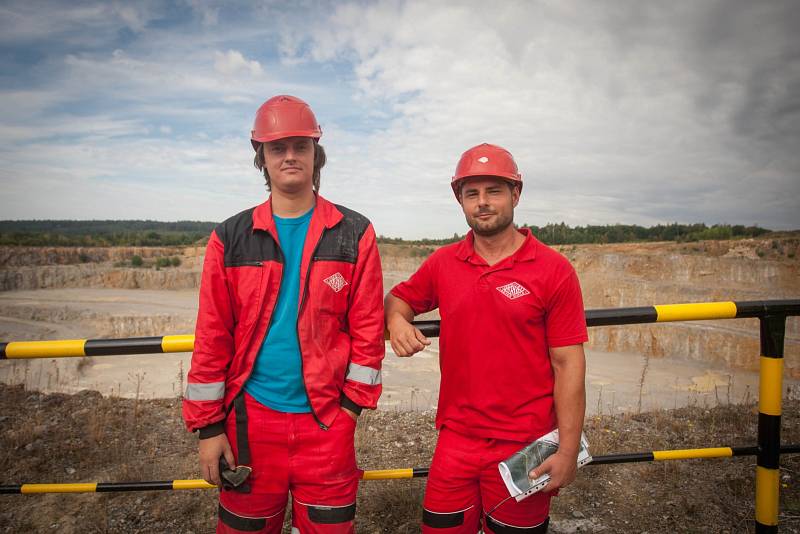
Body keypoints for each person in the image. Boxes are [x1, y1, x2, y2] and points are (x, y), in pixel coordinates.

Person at [183, 95, 384, 533]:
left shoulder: (355, 233)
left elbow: (368, 332)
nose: (290, 156)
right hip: (249, 427)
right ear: (262, 158)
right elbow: (212, 336)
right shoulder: (230, 238)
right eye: (278, 148)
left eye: (300, 146)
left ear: (316, 155)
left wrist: (349, 413)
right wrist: (208, 429)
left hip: (328, 424)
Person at [385, 143, 587, 533]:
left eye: (493, 191)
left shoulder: (553, 270)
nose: (482, 202)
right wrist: (396, 321)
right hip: (456, 440)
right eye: (471, 193)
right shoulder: (444, 263)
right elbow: (398, 299)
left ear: (515, 194)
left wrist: (566, 449)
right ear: (459, 199)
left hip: (527, 443)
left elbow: (569, 363)